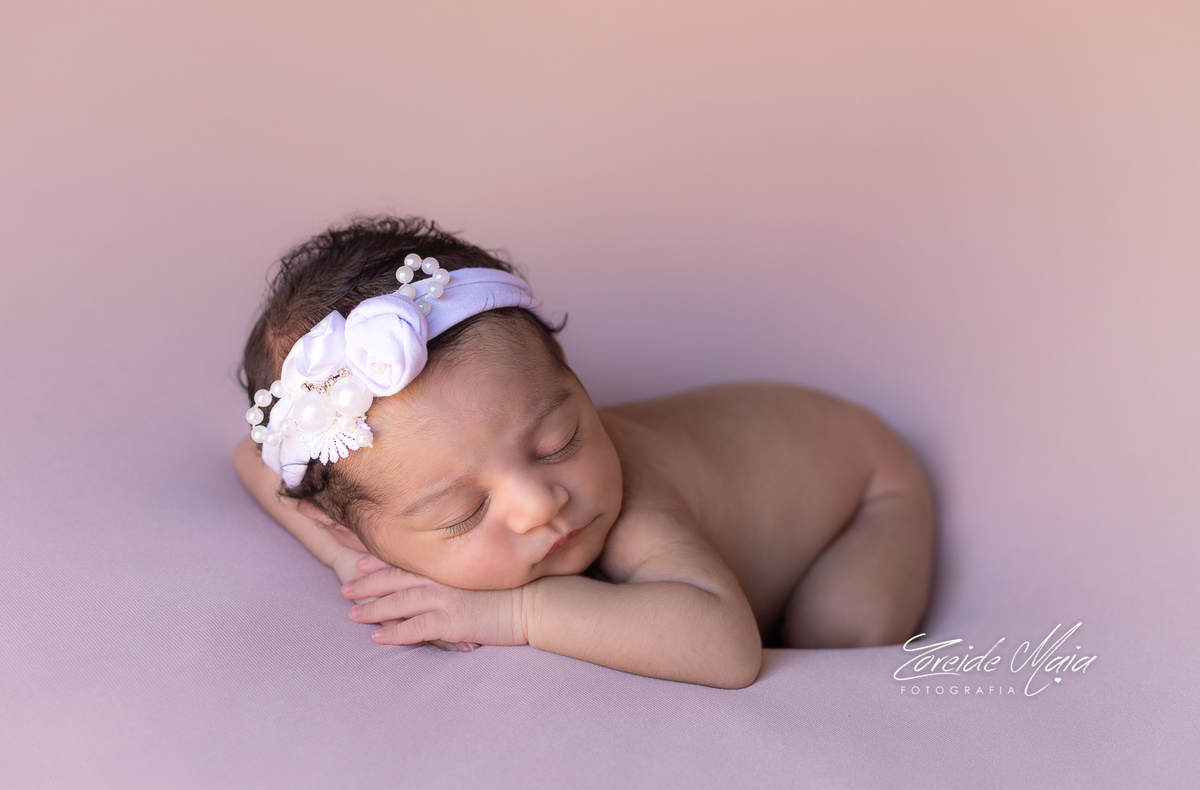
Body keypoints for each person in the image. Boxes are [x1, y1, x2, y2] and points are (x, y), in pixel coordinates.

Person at [233, 216, 935, 689]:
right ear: (343, 524)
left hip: (866, 489)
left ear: (571, 376)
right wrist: (356, 563)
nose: (541, 502)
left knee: (831, 637)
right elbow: (249, 459)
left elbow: (726, 646)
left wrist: (516, 615)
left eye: (557, 441)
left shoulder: (633, 504)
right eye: (462, 512)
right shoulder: (347, 506)